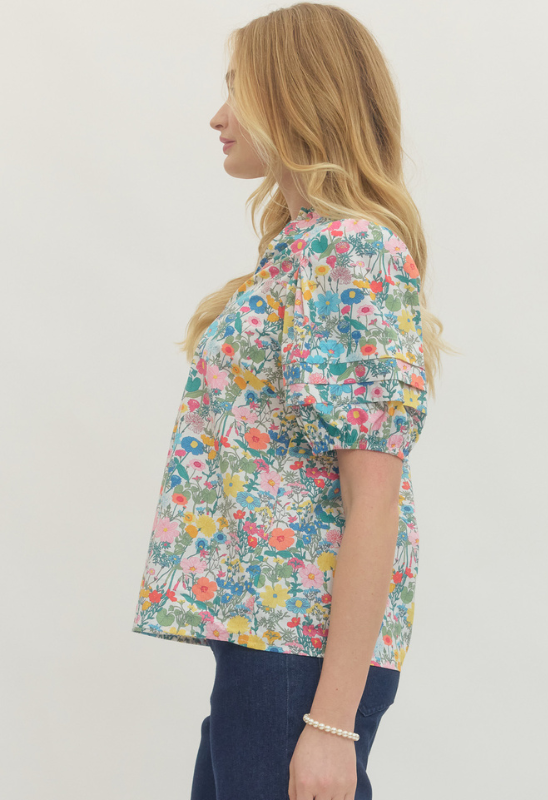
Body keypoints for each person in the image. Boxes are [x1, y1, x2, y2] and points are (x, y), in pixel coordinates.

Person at [132, 3, 453, 798]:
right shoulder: (305, 246)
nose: (218, 115)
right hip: (266, 648)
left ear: (293, 95)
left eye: (237, 90)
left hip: (298, 662)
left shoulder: (350, 250)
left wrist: (332, 724)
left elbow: (373, 498)